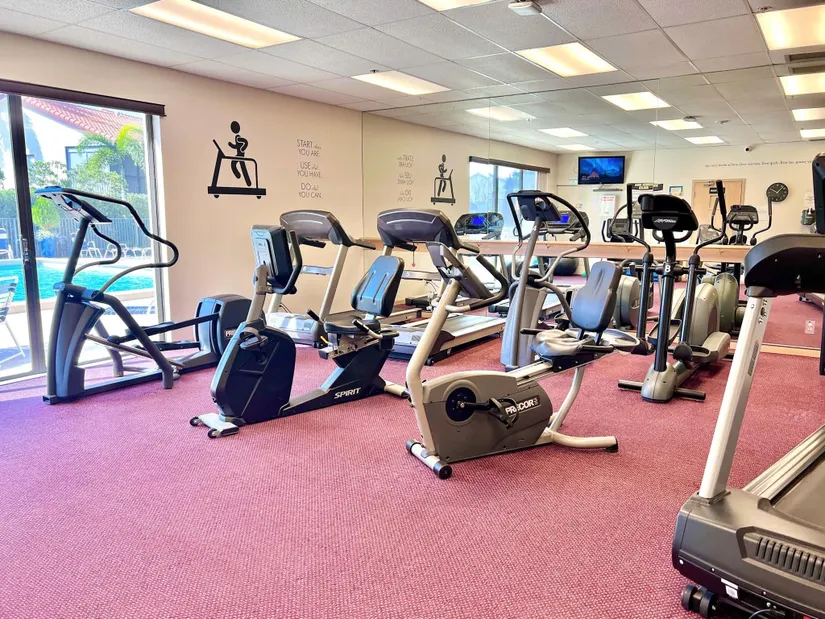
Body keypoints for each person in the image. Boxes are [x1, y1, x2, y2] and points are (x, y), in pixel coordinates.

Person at [228, 121, 251, 187]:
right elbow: (236, 146)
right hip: (239, 154)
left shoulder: (238, 138)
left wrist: (242, 149)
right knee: (242, 166)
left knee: (234, 163)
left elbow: (245, 142)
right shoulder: (237, 138)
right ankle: (246, 180)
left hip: (240, 155)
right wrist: (231, 145)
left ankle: (240, 176)